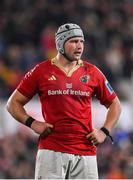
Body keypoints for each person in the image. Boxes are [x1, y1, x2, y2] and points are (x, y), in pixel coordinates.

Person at [6, 23, 121, 179]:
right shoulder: (41, 71)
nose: (79, 46)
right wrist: (33, 123)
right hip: (51, 151)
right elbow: (12, 104)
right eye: (73, 41)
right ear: (60, 43)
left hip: (86, 152)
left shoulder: (93, 72)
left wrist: (104, 131)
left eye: (81, 41)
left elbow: (115, 105)